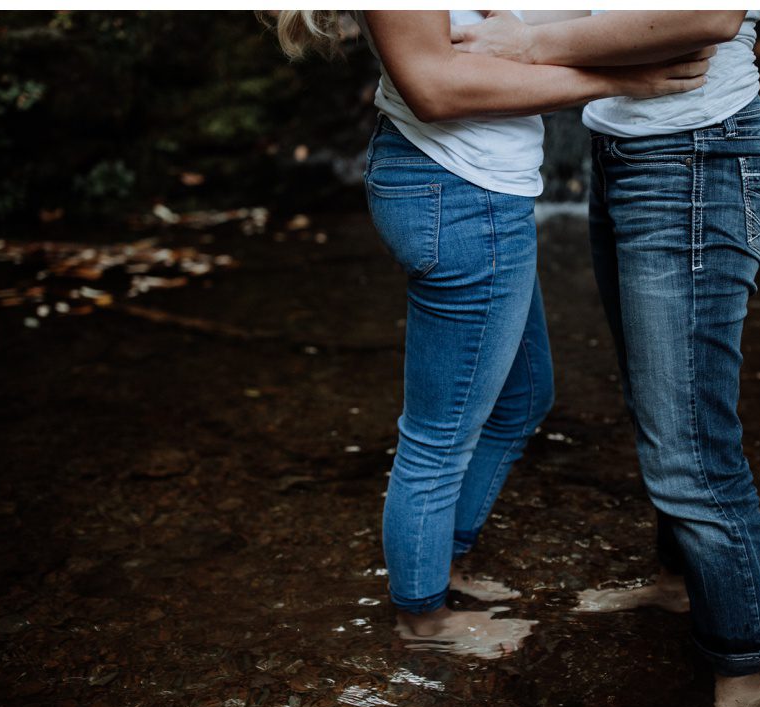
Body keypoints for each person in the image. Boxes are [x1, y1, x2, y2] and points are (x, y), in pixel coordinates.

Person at [259, 11, 711, 660]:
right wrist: (619, 80)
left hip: (473, 191)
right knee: (439, 433)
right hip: (460, 195)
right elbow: (435, 90)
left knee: (522, 397)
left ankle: (440, 563)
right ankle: (423, 620)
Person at [453, 10, 760, 707]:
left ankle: (743, 692)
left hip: (698, 154)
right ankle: (677, 584)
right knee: (662, 406)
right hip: (631, 153)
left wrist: (527, 42)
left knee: (691, 445)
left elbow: (704, 18)